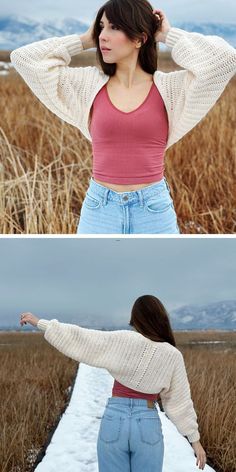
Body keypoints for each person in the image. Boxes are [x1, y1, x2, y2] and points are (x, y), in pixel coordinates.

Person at [10, 1, 236, 234]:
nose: (102, 36)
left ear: (139, 38)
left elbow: (223, 60)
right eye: (101, 27)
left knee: (162, 272)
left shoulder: (171, 88)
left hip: (153, 211)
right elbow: (25, 59)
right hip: (99, 210)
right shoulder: (88, 84)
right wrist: (84, 40)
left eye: (114, 27)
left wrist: (167, 35)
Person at [20, 294, 207, 471]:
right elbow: (179, 402)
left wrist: (40, 323)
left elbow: (82, 338)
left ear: (136, 319)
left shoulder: (124, 340)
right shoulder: (172, 355)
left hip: (114, 419)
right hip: (147, 423)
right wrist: (194, 440)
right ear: (161, 318)